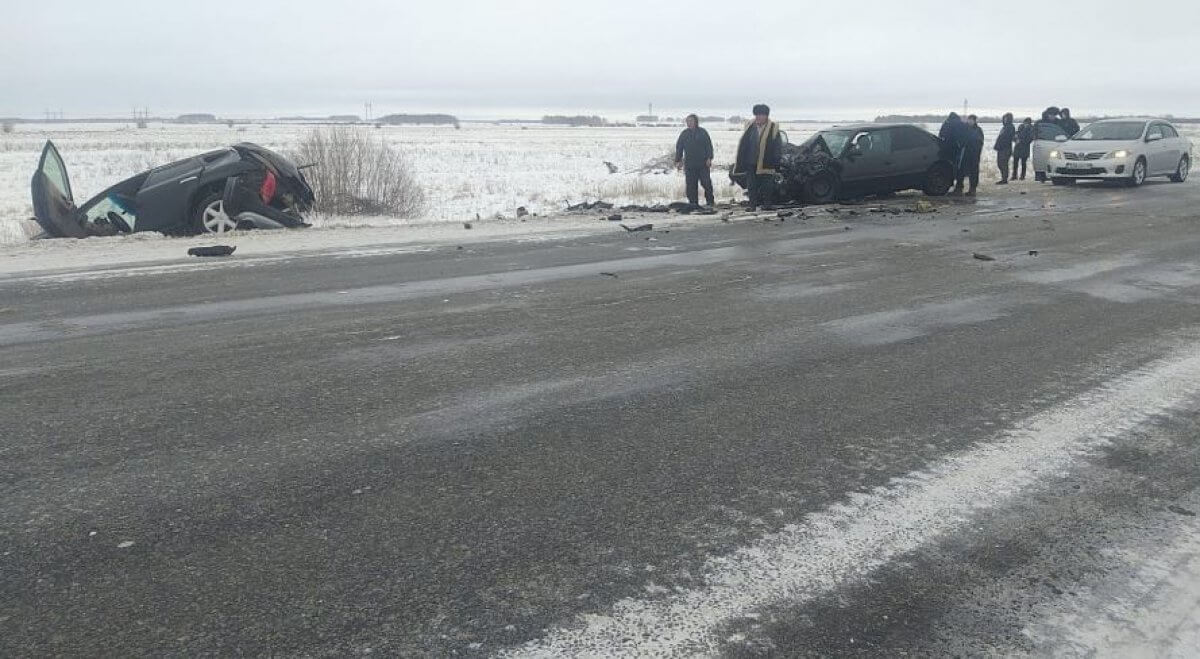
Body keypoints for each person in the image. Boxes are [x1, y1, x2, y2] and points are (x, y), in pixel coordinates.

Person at [732, 104, 783, 209]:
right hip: (751, 161)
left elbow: (778, 146)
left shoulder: (773, 128)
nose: (758, 117)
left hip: (766, 161)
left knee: (767, 185)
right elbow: (744, 143)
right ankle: (752, 205)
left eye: (761, 115)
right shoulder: (750, 126)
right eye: (757, 115)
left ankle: (767, 205)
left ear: (766, 116)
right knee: (751, 185)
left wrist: (776, 160)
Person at [675, 114, 715, 207]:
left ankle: (710, 201)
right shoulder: (684, 134)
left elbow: (709, 146)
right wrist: (678, 160)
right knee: (691, 185)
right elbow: (679, 147)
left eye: (691, 121)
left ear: (696, 122)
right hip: (689, 164)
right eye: (687, 121)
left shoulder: (702, 132)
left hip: (703, 163)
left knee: (706, 183)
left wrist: (709, 158)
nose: (689, 123)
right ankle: (693, 203)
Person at [939, 112, 969, 192]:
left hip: (947, 149)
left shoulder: (946, 123)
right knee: (959, 167)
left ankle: (952, 184)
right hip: (958, 149)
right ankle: (959, 186)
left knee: (950, 167)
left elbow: (941, 135)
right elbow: (963, 137)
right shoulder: (960, 124)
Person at [956, 114, 985, 196]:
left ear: (975, 121)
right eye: (969, 119)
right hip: (964, 154)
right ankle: (959, 188)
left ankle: (972, 189)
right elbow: (961, 139)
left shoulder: (978, 130)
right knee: (960, 171)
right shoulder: (965, 128)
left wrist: (972, 145)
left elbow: (980, 142)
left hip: (974, 155)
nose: (970, 121)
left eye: (972, 120)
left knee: (973, 172)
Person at [994, 113, 1016, 184]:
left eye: (1006, 118)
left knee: (1003, 164)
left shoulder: (1010, 127)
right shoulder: (1004, 127)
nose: (1005, 119)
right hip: (1001, 148)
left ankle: (1004, 179)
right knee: (1000, 163)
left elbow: (1007, 138)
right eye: (1004, 118)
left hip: (1005, 148)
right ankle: (1003, 177)